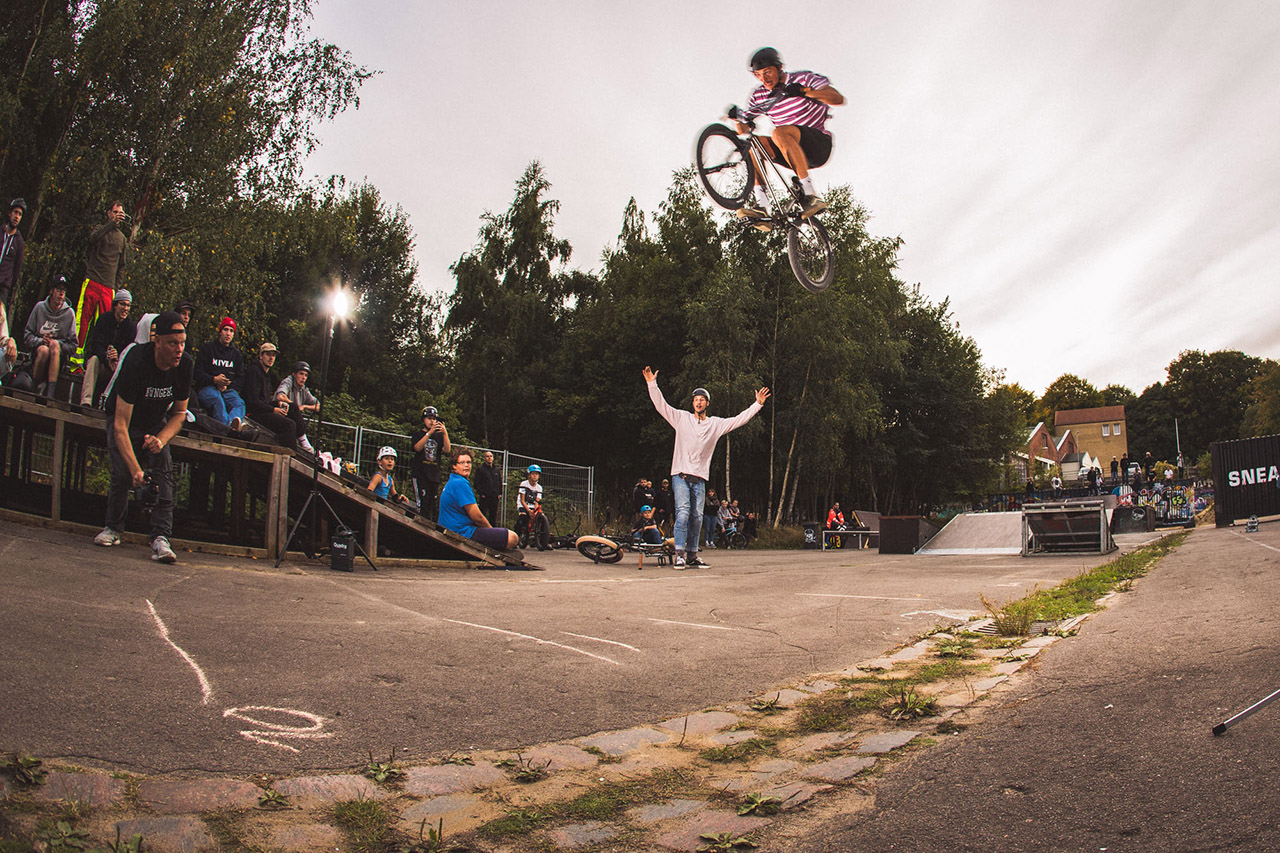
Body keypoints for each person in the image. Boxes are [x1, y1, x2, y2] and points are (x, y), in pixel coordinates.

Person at [644, 366, 769, 568]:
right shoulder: (681, 418)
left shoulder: (714, 424)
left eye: (702, 399)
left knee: (697, 518)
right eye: (696, 399)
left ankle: (692, 555)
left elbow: (737, 420)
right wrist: (652, 383)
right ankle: (680, 555)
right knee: (683, 514)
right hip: (681, 476)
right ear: (692, 403)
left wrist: (757, 404)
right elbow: (661, 405)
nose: (698, 402)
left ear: (707, 403)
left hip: (699, 479)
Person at [93, 310, 193, 564]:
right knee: (123, 472)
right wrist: (136, 470)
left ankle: (161, 537)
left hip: (156, 420)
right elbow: (120, 424)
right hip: (124, 418)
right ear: (157, 341)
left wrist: (161, 439)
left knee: (164, 470)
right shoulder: (136, 360)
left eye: (182, 343)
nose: (179, 350)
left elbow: (179, 413)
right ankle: (113, 528)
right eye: (172, 343)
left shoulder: (185, 365)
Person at [733, 47, 845, 225]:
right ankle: (762, 206)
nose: (764, 79)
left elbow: (838, 98)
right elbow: (744, 126)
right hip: (789, 149)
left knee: (779, 132)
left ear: (779, 68)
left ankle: (810, 195)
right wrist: (737, 120)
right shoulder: (760, 95)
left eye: (768, 72)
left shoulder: (803, 79)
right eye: (758, 75)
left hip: (817, 145)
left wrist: (805, 92)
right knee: (755, 145)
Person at [73, 201, 128, 370]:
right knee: (82, 322)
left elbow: (122, 265)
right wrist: (110, 224)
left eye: (120, 213)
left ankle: (97, 363)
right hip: (92, 281)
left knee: (104, 327)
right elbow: (92, 240)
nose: (117, 215)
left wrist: (115, 287)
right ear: (109, 213)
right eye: (115, 212)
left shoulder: (122, 239)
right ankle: (74, 362)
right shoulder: (100, 229)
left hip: (108, 288)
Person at [438, 449, 517, 550]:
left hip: (454, 529)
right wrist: (491, 531)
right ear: (454, 466)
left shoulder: (453, 480)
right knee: (512, 538)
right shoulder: (460, 484)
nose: (466, 465)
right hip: (462, 532)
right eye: (462, 462)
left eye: (468, 462)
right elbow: (477, 517)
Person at [79, 289, 136, 407]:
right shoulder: (103, 319)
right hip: (103, 363)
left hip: (118, 367)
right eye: (122, 304)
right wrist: (107, 357)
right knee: (93, 360)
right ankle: (86, 401)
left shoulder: (131, 327)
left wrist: (117, 358)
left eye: (128, 305)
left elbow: (129, 351)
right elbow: (96, 344)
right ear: (115, 305)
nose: (125, 308)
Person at [24, 275, 77, 398]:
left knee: (54, 345)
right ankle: (35, 387)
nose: (61, 293)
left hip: (58, 358)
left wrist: (57, 344)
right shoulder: (39, 308)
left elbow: (73, 346)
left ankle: (50, 393)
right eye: (58, 289)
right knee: (44, 350)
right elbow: (27, 336)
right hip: (38, 355)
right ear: (51, 291)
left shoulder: (69, 313)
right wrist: (40, 341)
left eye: (63, 290)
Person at [193, 317, 247, 430]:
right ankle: (228, 431)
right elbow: (197, 373)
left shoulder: (236, 354)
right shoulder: (208, 348)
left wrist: (227, 385)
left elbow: (240, 378)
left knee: (239, 403)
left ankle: (232, 423)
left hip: (227, 390)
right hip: (207, 388)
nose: (228, 333)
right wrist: (214, 380)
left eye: (231, 331)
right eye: (225, 329)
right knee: (218, 401)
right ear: (220, 332)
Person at [242, 342, 298, 448]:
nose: (271, 358)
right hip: (253, 414)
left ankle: (303, 441)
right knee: (289, 425)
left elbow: (264, 401)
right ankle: (288, 453)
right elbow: (253, 402)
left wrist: (278, 404)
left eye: (273, 355)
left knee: (293, 408)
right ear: (261, 356)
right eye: (268, 354)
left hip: (262, 410)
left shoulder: (266, 374)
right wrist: (273, 409)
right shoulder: (254, 371)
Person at [410, 405, 451, 517]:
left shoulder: (439, 437)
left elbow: (447, 450)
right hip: (420, 474)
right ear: (423, 420)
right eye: (429, 418)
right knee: (422, 504)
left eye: (434, 419)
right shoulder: (418, 434)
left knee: (432, 505)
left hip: (434, 474)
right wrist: (429, 433)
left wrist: (445, 433)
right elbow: (417, 448)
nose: (432, 421)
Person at [275, 360, 318, 453]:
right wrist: (294, 406)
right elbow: (280, 396)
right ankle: (303, 441)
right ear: (294, 374)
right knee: (294, 408)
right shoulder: (288, 382)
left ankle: (302, 441)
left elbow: (318, 406)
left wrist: (305, 406)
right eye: (301, 374)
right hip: (279, 415)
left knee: (295, 414)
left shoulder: (304, 389)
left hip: (292, 421)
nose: (303, 378)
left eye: (306, 375)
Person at [0, 198, 25, 332]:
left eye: (20, 214)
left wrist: (8, 284)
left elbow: (17, 270)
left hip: (3, 287)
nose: (17, 217)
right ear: (10, 213)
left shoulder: (19, 242)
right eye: (15, 212)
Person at [515, 464, 544, 543]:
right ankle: (516, 536)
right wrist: (528, 511)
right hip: (523, 505)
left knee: (542, 517)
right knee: (523, 517)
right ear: (529, 475)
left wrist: (535, 511)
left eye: (537, 474)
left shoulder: (539, 487)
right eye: (533, 474)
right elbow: (522, 500)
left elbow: (537, 501)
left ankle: (542, 540)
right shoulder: (524, 484)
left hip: (532, 506)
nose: (535, 476)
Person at [474, 449, 502, 526]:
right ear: (484, 458)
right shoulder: (481, 469)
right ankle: (482, 530)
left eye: (491, 456)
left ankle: (492, 531)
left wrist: (499, 493)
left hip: (494, 497)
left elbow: (499, 482)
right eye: (487, 456)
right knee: (483, 515)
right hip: (485, 497)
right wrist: (482, 493)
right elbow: (477, 483)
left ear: (493, 458)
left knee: (493, 516)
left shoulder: (496, 470)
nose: (489, 458)